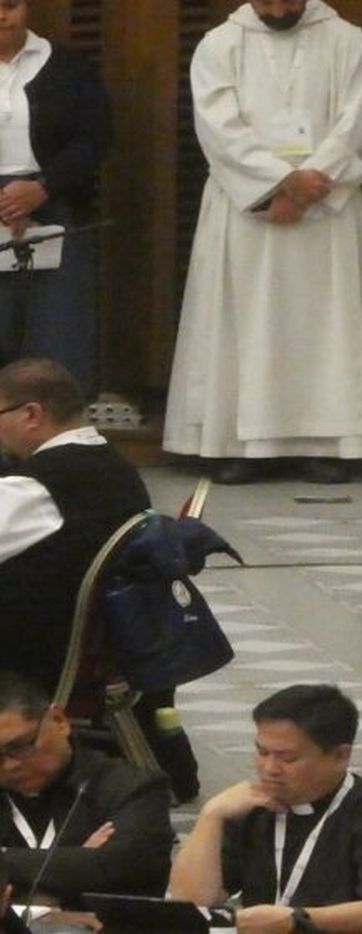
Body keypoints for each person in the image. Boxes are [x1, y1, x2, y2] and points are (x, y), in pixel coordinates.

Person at [163, 0, 362, 486]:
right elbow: (218, 130)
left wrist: (309, 187)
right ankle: (241, 446)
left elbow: (355, 123)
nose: (279, 7)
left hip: (324, 207)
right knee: (246, 321)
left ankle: (323, 443)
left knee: (321, 324)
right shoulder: (220, 44)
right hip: (247, 207)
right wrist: (279, 183)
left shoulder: (346, 40)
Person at [168, 683, 362, 934]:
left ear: (340, 756)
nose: (269, 769)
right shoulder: (251, 806)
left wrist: (293, 920)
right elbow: (191, 903)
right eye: (262, 752)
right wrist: (212, 814)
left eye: (287, 758)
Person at [0, 358, 149, 692]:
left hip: (37, 651)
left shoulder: (37, 486)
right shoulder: (118, 467)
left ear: (31, 415)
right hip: (104, 645)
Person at [0, 0, 111, 394]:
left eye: (10, 5)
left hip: (54, 200)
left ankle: (52, 448)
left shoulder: (68, 67)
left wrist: (42, 187)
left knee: (57, 333)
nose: (2, 15)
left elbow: (94, 138)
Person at [0, 671, 175, 903]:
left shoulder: (131, 788)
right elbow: (89, 871)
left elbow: (119, 868)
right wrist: (74, 863)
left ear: (60, 721)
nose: (9, 765)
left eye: (20, 746)